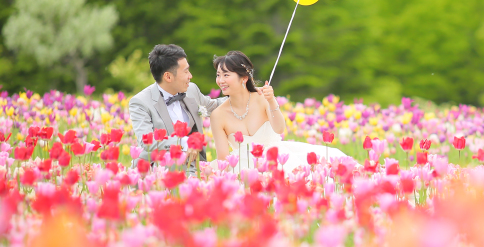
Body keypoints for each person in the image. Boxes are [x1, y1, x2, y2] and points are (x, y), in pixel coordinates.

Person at [209, 50, 347, 173]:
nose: (220, 81)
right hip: (243, 168)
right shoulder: (218, 115)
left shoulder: (262, 98)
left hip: (277, 158)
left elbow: (279, 128)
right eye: (218, 75)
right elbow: (223, 160)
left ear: (244, 78)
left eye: (226, 75)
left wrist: (271, 101)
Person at [129, 44, 224, 172]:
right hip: (159, 172)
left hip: (196, 169)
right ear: (168, 77)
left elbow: (215, 106)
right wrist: (184, 142)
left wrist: (249, 94)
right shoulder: (140, 102)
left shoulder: (191, 89)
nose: (190, 76)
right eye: (186, 71)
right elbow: (147, 142)